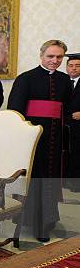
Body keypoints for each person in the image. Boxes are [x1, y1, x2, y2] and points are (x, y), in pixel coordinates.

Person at [8, 40, 72, 241]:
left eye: (59, 57)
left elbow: (67, 109)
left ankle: (48, 218)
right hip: (33, 141)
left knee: (50, 181)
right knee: (34, 180)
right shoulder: (25, 78)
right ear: (41, 55)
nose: (55, 61)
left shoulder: (64, 80)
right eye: (50, 56)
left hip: (55, 140)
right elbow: (15, 111)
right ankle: (36, 224)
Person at [64, 53, 80, 191]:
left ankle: (75, 184)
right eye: (70, 65)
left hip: (78, 125)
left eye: (77, 66)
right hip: (63, 124)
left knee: (77, 154)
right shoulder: (61, 81)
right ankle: (63, 182)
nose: (73, 68)